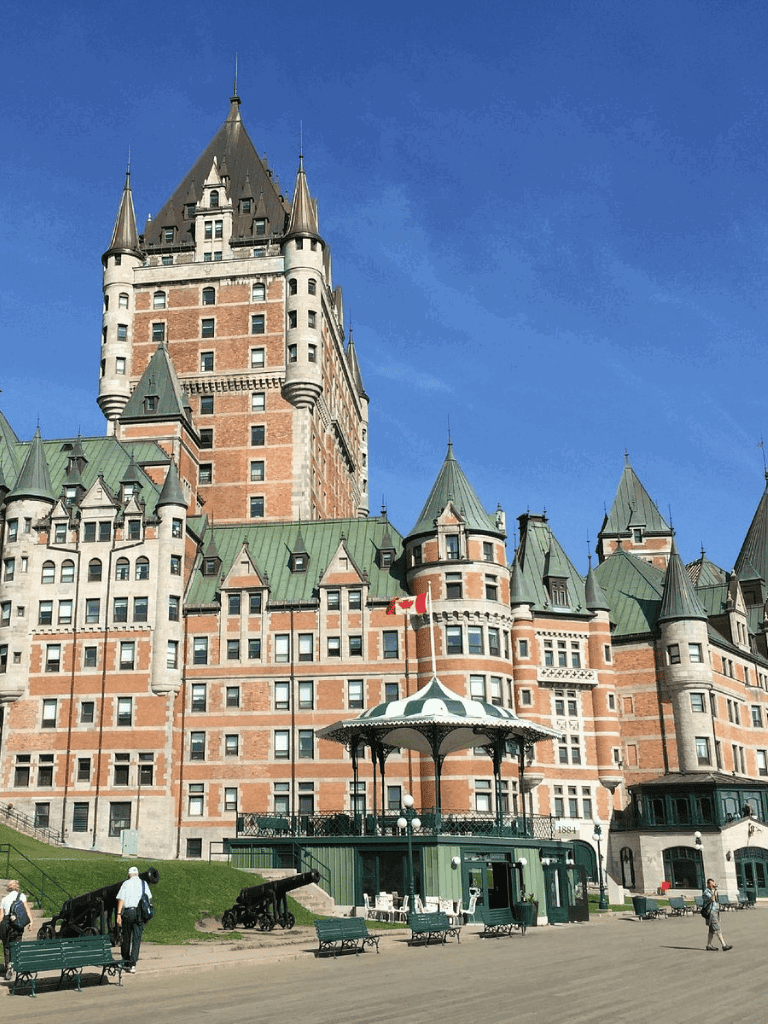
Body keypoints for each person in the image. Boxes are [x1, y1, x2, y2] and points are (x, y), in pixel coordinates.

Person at [116, 866, 152, 973]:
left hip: (128, 912)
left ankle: (125, 960)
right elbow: (148, 899)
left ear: (128, 875)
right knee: (136, 938)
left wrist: (118, 914)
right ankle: (133, 964)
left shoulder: (126, 884)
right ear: (138, 874)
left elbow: (121, 899)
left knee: (126, 937)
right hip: (139, 913)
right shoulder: (143, 884)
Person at [0, 880, 34, 977]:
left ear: (8, 888)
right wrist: (31, 922)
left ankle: (8, 966)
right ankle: (15, 964)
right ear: (16, 886)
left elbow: (1, 916)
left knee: (6, 945)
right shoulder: (21, 896)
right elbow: (27, 909)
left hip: (5, 923)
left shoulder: (4, 899)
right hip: (17, 923)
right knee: (17, 943)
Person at [702, 877, 732, 951]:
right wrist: (714, 891)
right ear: (709, 884)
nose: (714, 884)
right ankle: (724, 945)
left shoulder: (713, 890)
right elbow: (712, 899)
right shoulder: (706, 891)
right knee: (717, 928)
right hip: (711, 911)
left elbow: (716, 899)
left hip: (715, 911)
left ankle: (709, 945)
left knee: (711, 929)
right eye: (712, 883)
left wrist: (715, 890)